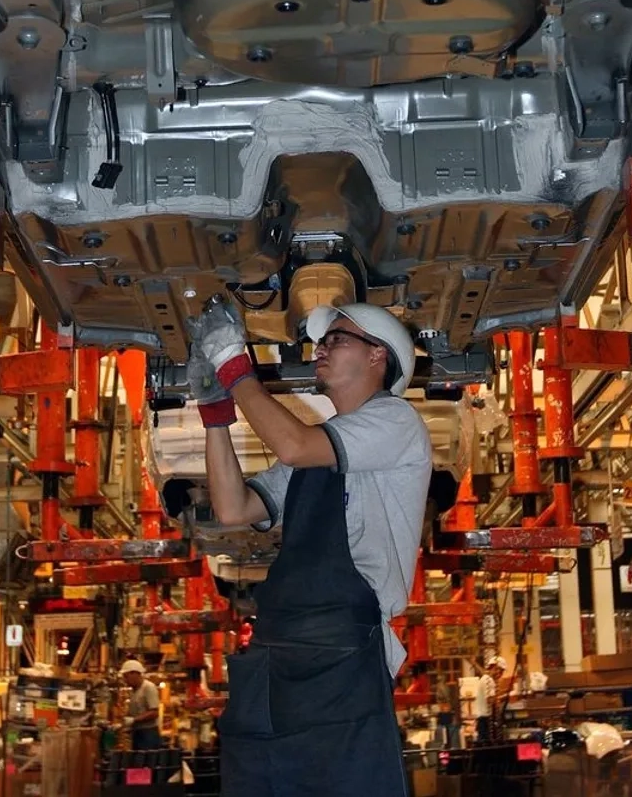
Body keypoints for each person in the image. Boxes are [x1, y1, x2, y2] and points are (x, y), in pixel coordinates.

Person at [189, 298, 432, 797]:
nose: (320, 348)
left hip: (340, 653)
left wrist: (236, 368)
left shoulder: (395, 421)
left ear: (377, 357)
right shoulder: (313, 452)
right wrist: (215, 414)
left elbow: (295, 445)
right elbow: (236, 508)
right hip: (276, 650)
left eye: (337, 339)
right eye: (323, 340)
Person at [120, 660, 163, 750]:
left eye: (126, 677)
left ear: (135, 674)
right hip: (138, 733)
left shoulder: (148, 687)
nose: (125, 680)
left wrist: (133, 720)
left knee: (146, 762)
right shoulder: (134, 691)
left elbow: (154, 712)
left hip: (148, 734)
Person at [475, 656, 506, 744]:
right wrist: (501, 699)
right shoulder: (489, 681)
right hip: (485, 720)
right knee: (487, 745)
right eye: (501, 671)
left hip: (482, 720)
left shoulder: (484, 679)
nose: (501, 674)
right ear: (495, 669)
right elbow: (490, 700)